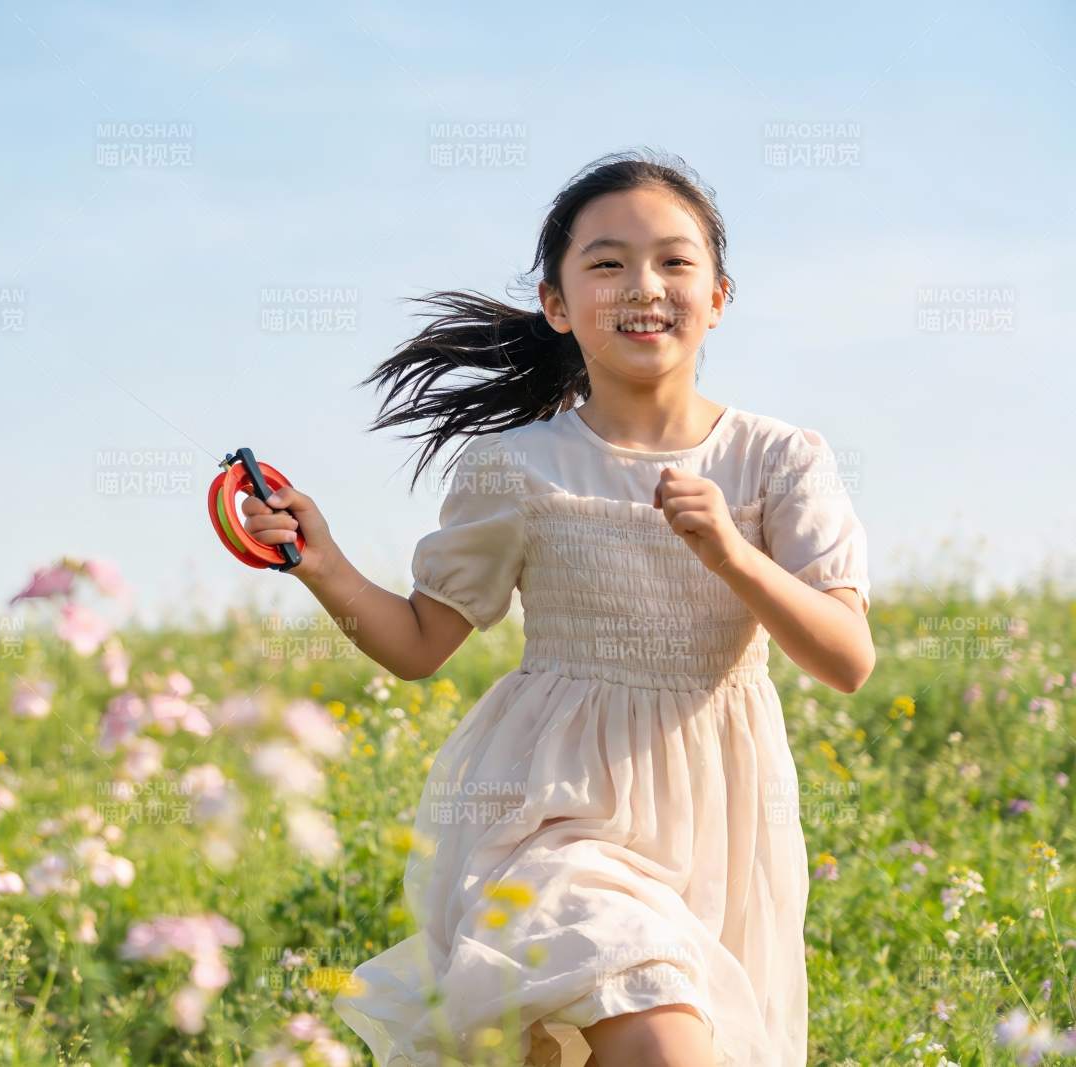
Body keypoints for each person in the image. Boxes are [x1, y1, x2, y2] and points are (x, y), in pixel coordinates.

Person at [237, 148, 874, 1066]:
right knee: (655, 1024)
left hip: (716, 823)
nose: (643, 285)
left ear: (721, 295)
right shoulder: (517, 467)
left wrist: (733, 555)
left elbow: (848, 658)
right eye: (607, 263)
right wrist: (319, 559)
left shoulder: (780, 462)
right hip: (551, 809)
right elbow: (420, 644)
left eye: (675, 260)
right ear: (557, 304)